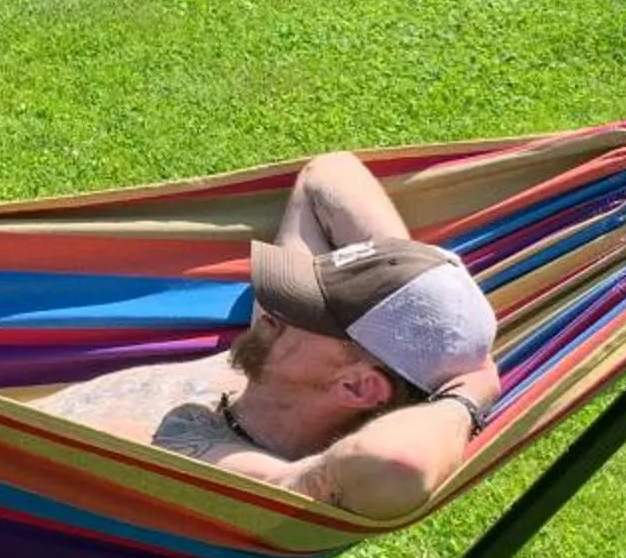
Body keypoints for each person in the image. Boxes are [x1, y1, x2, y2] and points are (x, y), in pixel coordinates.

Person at [31, 152, 501, 521]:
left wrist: (471, 392)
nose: (272, 309)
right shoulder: (279, 354)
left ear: (357, 385)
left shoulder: (254, 475)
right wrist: (405, 275)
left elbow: (397, 465)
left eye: (304, 312)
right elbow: (328, 175)